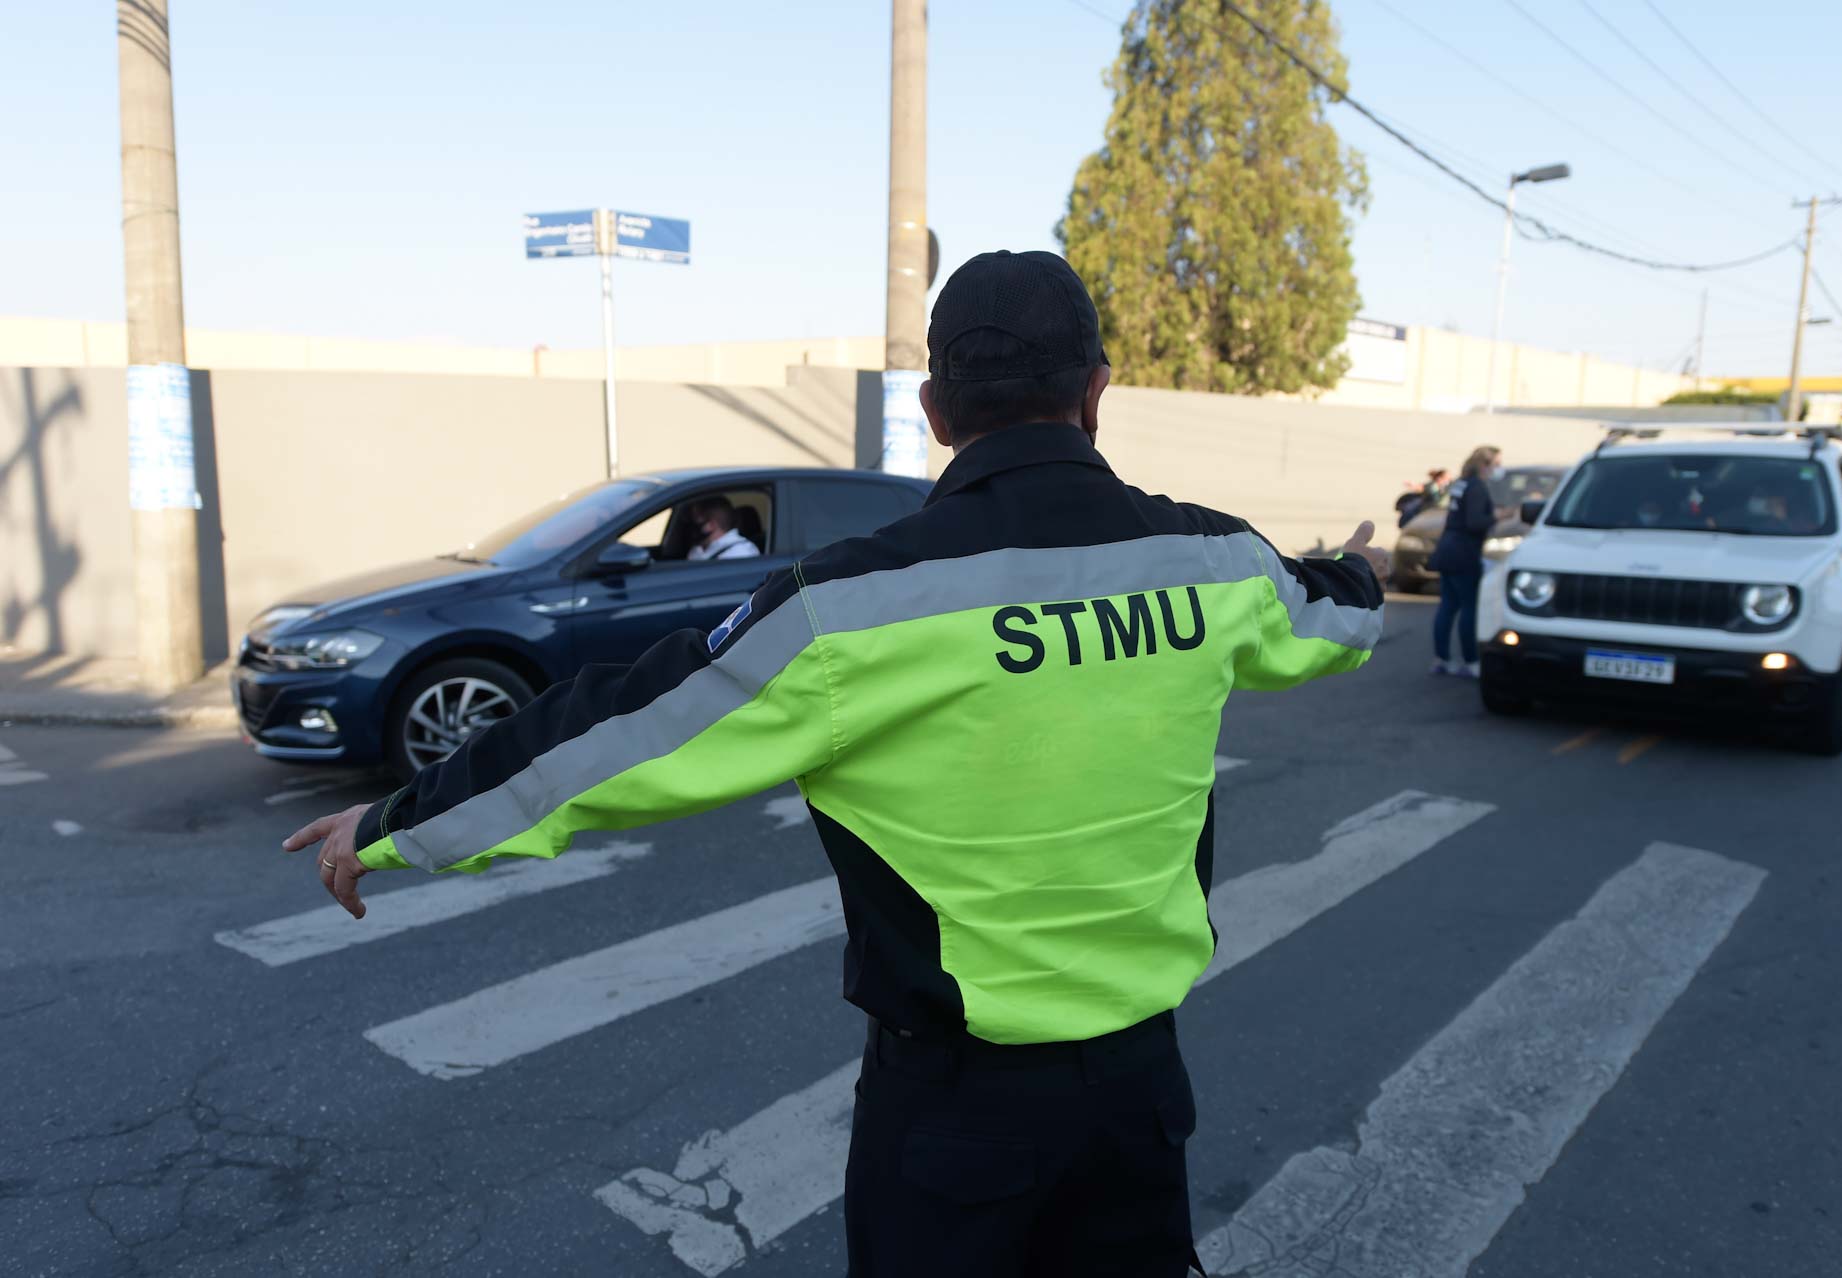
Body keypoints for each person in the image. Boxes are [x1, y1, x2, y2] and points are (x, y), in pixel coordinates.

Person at [284, 250, 1388, 1278]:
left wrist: (396, 824)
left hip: (956, 1117)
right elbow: (1334, 612)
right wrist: (1365, 568)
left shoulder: (849, 607)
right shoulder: (1213, 563)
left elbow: (620, 733)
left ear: (936, 412)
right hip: (1142, 1101)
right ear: (1096, 392)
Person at [1428, 444, 1502, 679]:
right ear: (1484, 465)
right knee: (1468, 607)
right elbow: (1475, 522)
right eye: (1497, 464)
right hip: (1463, 553)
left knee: (1448, 606)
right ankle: (1471, 661)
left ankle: (1441, 658)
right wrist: (1497, 516)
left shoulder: (1461, 482)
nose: (1499, 469)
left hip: (1448, 548)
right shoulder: (1477, 486)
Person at [683, 497, 761, 561]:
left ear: (711, 525)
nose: (691, 525)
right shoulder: (696, 550)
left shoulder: (741, 552)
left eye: (695, 521)